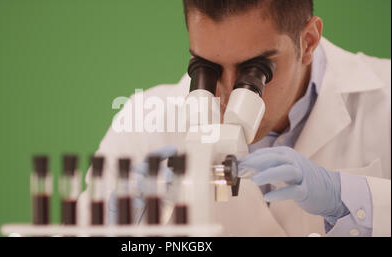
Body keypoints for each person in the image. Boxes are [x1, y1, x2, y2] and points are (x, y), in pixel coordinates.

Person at [78, 0, 391, 236]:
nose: (228, 94)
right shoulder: (144, 120)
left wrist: (353, 199)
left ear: (308, 41)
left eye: (256, 70)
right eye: (206, 67)